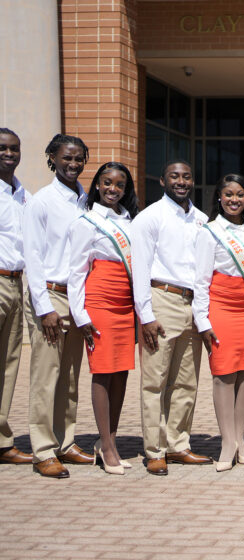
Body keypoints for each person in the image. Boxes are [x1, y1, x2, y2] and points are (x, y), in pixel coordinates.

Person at [22, 133, 94, 478]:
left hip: (77, 297)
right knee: (45, 376)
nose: (73, 164)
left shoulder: (86, 201)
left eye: (79, 158)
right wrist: (43, 307)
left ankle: (65, 441)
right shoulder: (41, 201)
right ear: (52, 158)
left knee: (69, 376)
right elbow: (32, 257)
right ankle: (43, 449)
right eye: (67, 158)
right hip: (50, 295)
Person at [132, 160, 211, 475]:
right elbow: (139, 269)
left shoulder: (202, 220)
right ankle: (155, 450)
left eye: (187, 176)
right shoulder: (150, 217)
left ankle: (178, 444)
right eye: (174, 176)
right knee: (155, 382)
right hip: (161, 300)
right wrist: (146, 315)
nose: (182, 181)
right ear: (162, 181)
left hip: (194, 304)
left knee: (185, 382)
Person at [193, 174, 244, 472]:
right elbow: (200, 281)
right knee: (224, 374)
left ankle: (241, 440)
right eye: (228, 194)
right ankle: (227, 442)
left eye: (239, 194)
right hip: (221, 307)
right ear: (219, 198)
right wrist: (202, 320)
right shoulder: (209, 232)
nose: (234, 199)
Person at [67, 162, 139, 475]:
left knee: (121, 371)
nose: (113, 189)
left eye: (119, 185)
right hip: (100, 300)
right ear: (97, 185)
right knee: (103, 370)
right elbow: (76, 271)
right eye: (107, 183)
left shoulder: (130, 219)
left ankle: (109, 439)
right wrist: (80, 314)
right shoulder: (87, 221)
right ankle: (106, 446)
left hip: (125, 303)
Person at [0, 128, 32, 465]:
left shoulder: (24, 195)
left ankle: (2, 441)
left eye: (14, 148)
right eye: (2, 148)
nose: (9, 154)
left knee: (8, 365)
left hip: (16, 284)